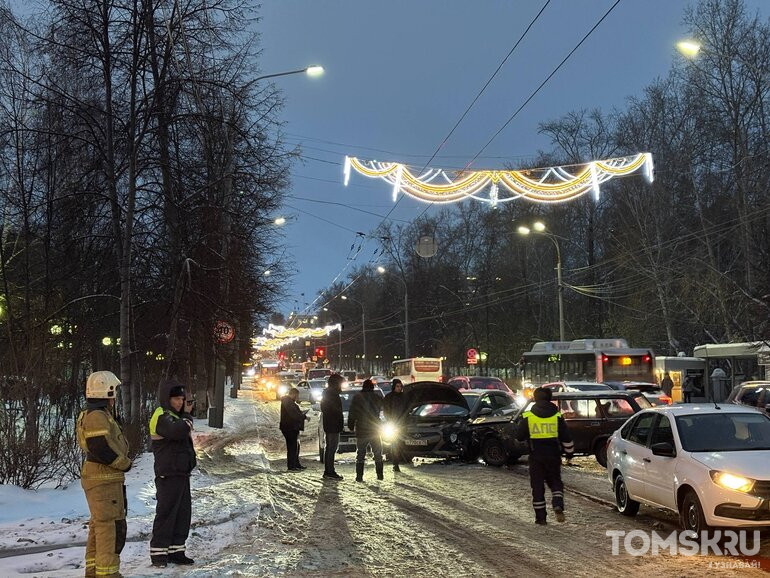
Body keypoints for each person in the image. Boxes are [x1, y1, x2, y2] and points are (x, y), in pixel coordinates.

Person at [76, 371, 132, 578]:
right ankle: (107, 574)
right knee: (110, 529)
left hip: (102, 480)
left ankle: (94, 572)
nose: (115, 396)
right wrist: (123, 463)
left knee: (99, 527)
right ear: (107, 391)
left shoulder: (95, 415)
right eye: (114, 391)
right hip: (104, 481)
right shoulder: (98, 416)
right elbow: (99, 447)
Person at [148, 380, 196, 567]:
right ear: (167, 399)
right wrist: (186, 416)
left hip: (181, 473)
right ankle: (159, 553)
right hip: (168, 474)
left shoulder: (174, 416)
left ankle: (177, 550)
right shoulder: (161, 416)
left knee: (183, 514)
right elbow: (178, 432)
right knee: (167, 513)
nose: (180, 402)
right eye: (176, 399)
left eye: (182, 399)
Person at [516, 387, 574, 525]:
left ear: (535, 398)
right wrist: (569, 453)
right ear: (549, 398)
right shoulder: (557, 416)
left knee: (537, 487)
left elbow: (519, 437)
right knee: (555, 482)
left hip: (536, 457)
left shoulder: (528, 417)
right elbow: (566, 438)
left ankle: (541, 518)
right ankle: (557, 503)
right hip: (553, 456)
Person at [348, 378, 384, 482]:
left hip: (362, 429)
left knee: (360, 454)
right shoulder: (377, 397)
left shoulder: (357, 397)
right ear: (372, 387)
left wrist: (351, 425)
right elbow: (382, 410)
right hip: (374, 429)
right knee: (377, 453)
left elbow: (352, 412)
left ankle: (359, 476)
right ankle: (380, 475)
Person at [321, 374, 345, 480]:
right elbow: (335, 410)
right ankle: (329, 471)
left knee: (330, 448)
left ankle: (329, 470)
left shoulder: (328, 393)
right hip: (333, 425)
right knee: (331, 448)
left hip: (330, 424)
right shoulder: (332, 394)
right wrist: (339, 420)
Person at [280, 387, 309, 471]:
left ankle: (296, 464)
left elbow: (294, 413)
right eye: (297, 396)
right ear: (293, 394)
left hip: (291, 427)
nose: (297, 398)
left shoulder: (289, 402)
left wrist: (302, 414)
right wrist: (303, 416)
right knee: (292, 447)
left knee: (295, 446)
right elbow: (293, 414)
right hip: (289, 427)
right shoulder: (287, 402)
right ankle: (291, 466)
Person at [383, 378, 405, 472]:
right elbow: (386, 410)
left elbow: (407, 409)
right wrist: (389, 420)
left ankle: (399, 460)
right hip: (392, 423)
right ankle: (395, 464)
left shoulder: (404, 397)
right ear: (393, 387)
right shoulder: (389, 397)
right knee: (394, 444)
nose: (399, 388)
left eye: (400, 386)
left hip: (402, 423)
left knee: (400, 444)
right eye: (397, 386)